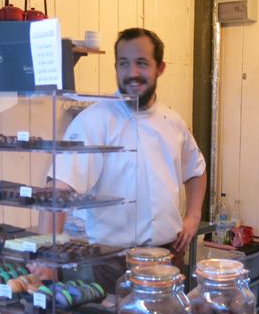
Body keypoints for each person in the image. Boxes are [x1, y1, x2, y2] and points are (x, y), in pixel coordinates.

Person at [33, 28, 207, 291]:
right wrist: (47, 256)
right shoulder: (94, 121)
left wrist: (193, 217)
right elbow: (57, 192)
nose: (132, 73)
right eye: (124, 64)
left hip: (166, 259)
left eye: (142, 63)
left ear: (160, 68)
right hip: (107, 265)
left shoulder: (173, 122)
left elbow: (196, 170)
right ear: (116, 67)